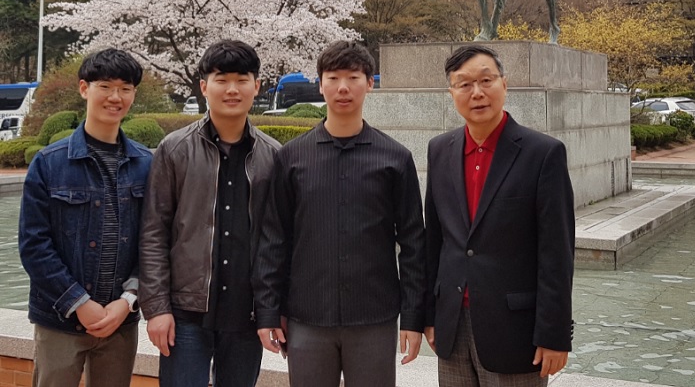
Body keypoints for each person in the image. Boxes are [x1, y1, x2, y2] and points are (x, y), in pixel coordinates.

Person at [253, 40, 425, 387]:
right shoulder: (291, 157)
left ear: (370, 83)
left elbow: (413, 244)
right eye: (333, 78)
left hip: (374, 317)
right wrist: (269, 311)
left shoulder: (395, 158)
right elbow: (274, 239)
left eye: (353, 77)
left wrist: (413, 316)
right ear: (320, 84)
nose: (343, 87)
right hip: (307, 316)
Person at [424, 44, 575, 386]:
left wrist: (554, 334)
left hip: (516, 330)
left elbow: (557, 252)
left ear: (504, 85)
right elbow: (435, 240)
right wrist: (428, 315)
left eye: (486, 80)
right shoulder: (439, 150)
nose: (476, 92)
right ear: (452, 92)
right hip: (453, 327)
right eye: (464, 84)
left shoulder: (543, 153)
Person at [139, 40, 280, 387]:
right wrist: (156, 308)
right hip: (186, 315)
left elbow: (279, 241)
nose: (232, 89)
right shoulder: (174, 149)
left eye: (242, 79)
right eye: (221, 79)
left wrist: (274, 309)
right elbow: (154, 232)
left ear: (256, 86)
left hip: (247, 315)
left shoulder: (274, 156)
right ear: (204, 86)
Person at [18, 48, 152, 387]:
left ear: (134, 93)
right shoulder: (49, 163)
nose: (115, 97)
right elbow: (34, 245)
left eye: (125, 88)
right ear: (83, 88)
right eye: (105, 86)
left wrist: (129, 300)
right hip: (59, 319)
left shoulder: (146, 165)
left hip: (120, 321)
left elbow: (154, 240)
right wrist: (78, 302)